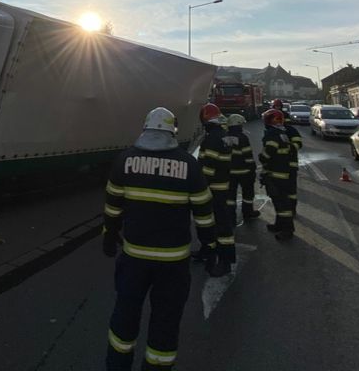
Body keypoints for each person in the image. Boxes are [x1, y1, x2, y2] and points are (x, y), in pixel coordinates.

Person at [102, 107, 217, 371]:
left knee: (125, 315)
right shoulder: (189, 165)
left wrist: (109, 235)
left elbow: (112, 207)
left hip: (134, 259)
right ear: (172, 131)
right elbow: (204, 212)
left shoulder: (125, 160)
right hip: (174, 263)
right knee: (166, 321)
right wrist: (210, 245)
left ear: (145, 129)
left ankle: (117, 366)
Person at [192, 103, 235, 276]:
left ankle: (225, 261)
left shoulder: (211, 139)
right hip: (221, 186)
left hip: (213, 189)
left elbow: (207, 168)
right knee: (209, 223)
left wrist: (196, 184)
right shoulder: (222, 136)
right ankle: (207, 251)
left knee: (219, 225)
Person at [259, 108, 302, 239]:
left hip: (276, 174)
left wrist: (262, 157)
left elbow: (269, 152)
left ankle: (287, 230)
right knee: (280, 201)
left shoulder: (272, 134)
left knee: (281, 203)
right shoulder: (282, 133)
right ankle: (279, 224)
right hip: (284, 172)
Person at [226, 113, 259, 220]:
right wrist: (253, 169)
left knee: (230, 196)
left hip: (229, 172)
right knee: (248, 194)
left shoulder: (224, 137)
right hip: (244, 172)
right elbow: (248, 156)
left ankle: (231, 217)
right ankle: (248, 212)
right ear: (238, 125)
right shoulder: (242, 137)